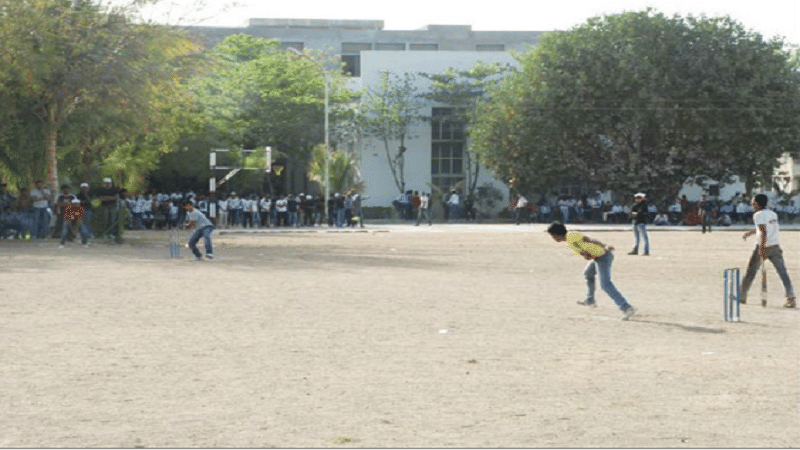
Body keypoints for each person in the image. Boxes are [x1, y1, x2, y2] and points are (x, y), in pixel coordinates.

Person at [547, 222, 637, 320]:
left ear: (557, 234)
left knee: (605, 285)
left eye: (552, 235)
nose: (553, 238)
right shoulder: (570, 238)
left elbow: (589, 242)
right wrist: (598, 249)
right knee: (588, 273)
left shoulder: (572, 238)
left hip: (602, 258)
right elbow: (588, 244)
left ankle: (626, 307)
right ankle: (590, 299)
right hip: (599, 258)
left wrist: (602, 248)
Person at [740, 194, 796, 308]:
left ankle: (742, 296)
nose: (752, 204)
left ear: (758, 203)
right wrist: (750, 233)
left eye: (753, 202)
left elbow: (764, 231)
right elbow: (766, 228)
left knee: (750, 272)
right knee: (783, 273)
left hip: (763, 246)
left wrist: (761, 248)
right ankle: (791, 297)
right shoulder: (772, 213)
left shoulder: (758, 215)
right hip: (775, 246)